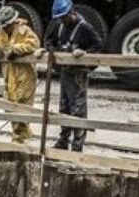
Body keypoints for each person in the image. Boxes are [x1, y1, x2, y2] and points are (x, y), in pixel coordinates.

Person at [40, 0, 101, 152]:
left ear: (72, 12)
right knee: (64, 107)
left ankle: (77, 145)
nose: (63, 20)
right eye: (60, 18)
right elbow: (49, 41)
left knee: (78, 110)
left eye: (65, 17)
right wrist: (49, 50)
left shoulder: (84, 27)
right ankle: (63, 140)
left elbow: (98, 45)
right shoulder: (58, 25)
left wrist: (86, 53)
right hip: (64, 72)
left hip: (78, 74)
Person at [0, 5, 40, 144]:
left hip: (25, 75)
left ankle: (18, 138)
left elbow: (34, 44)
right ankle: (23, 134)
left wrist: (15, 49)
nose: (4, 28)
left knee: (22, 106)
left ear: (12, 22)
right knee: (10, 105)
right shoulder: (0, 33)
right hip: (9, 75)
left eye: (6, 26)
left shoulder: (24, 31)